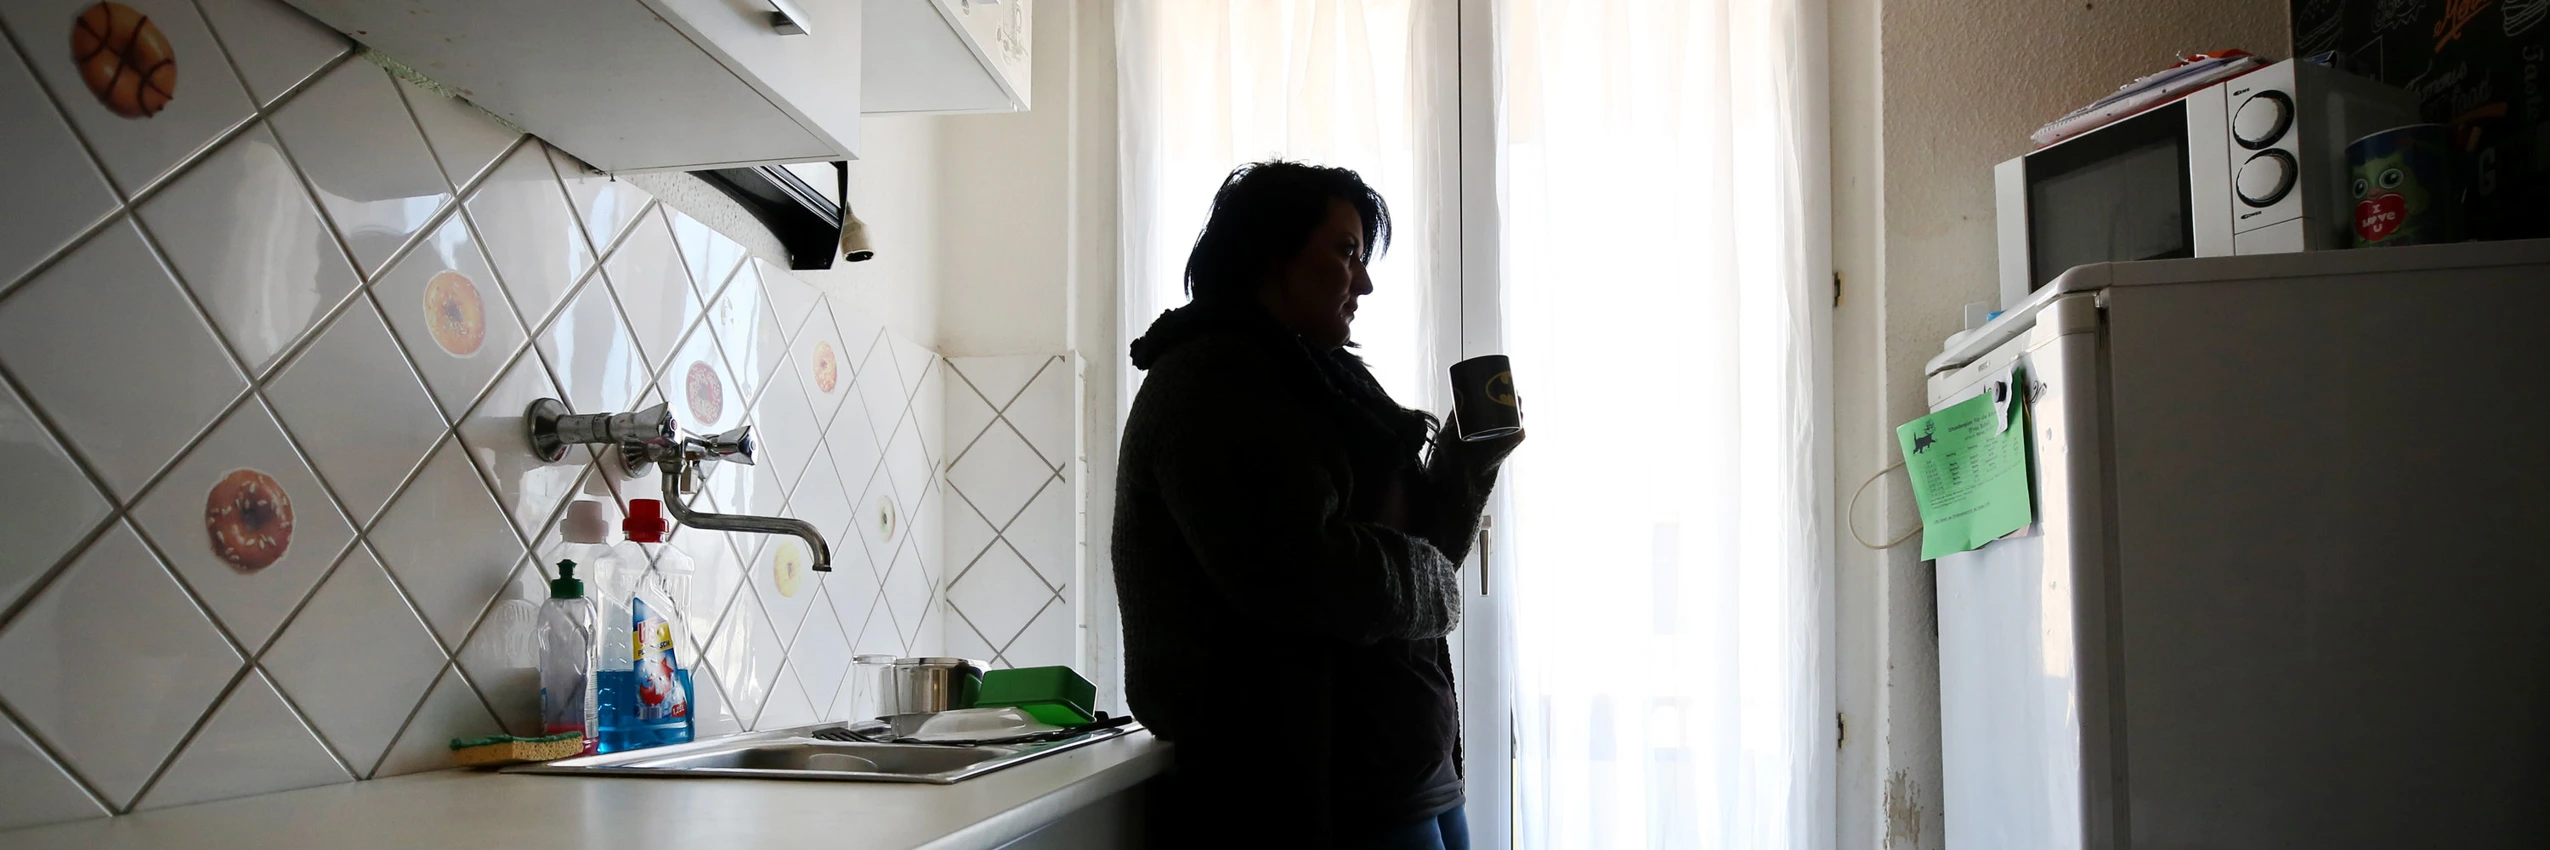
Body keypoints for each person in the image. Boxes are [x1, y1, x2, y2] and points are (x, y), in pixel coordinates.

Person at [1113, 160, 1522, 849]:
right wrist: (1437, 590)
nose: (1362, 281)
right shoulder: (1213, 379)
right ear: (1270, 252)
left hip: (1400, 767)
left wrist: (1466, 461)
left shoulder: (1321, 379)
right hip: (1316, 790)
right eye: (1346, 252)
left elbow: (1421, 555)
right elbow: (1299, 570)